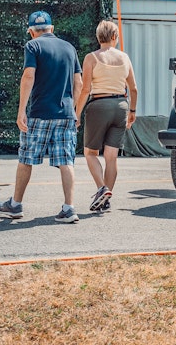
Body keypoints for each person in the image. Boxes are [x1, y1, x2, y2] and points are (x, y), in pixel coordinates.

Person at [0, 11, 83, 224]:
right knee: (66, 160)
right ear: (52, 28)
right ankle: (69, 208)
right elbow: (79, 83)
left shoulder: (32, 46)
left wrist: (21, 111)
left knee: (26, 159)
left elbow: (28, 76)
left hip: (39, 114)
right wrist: (73, 110)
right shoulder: (69, 48)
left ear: (31, 31)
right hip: (65, 115)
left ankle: (16, 204)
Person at [74, 20, 138, 213]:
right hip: (121, 107)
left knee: (90, 153)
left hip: (99, 106)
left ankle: (102, 188)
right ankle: (106, 198)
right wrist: (132, 111)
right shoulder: (124, 57)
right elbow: (133, 89)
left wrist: (77, 114)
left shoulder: (91, 58)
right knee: (111, 157)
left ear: (98, 37)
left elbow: (85, 90)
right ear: (114, 36)